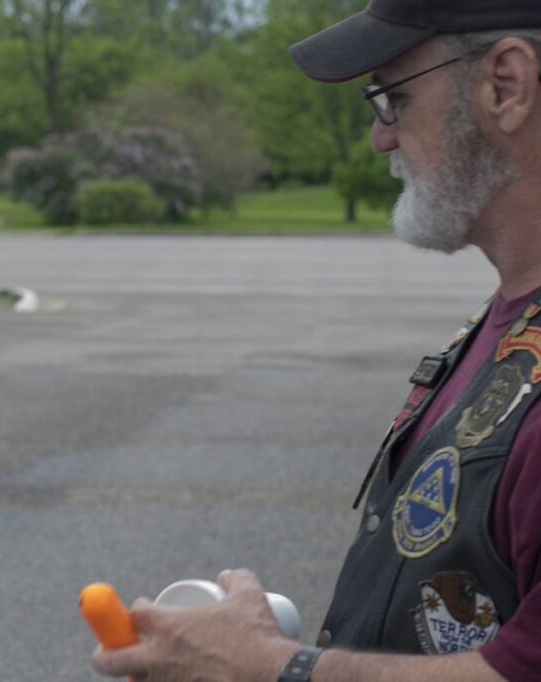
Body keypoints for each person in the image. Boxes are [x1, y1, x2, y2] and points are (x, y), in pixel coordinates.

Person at [91, 1, 541, 681]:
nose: (380, 137)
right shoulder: (510, 311)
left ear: (506, 85)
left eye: (393, 98)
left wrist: (273, 668)